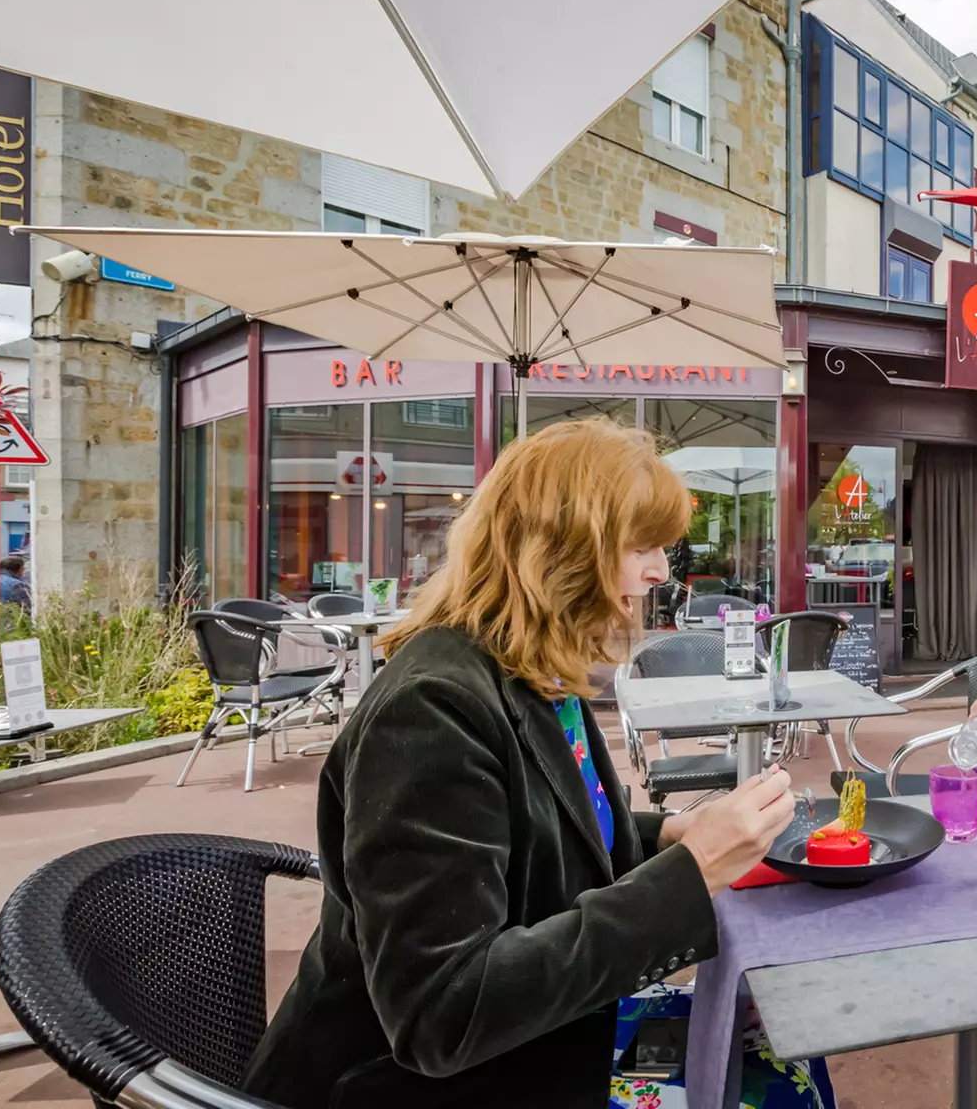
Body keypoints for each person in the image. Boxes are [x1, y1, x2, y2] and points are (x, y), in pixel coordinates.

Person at [245, 418, 797, 1109]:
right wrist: (691, 877)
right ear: (562, 550)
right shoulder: (430, 709)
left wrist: (665, 836)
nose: (661, 571)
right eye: (642, 546)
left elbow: (532, 822)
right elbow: (442, 1014)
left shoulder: (528, 672)